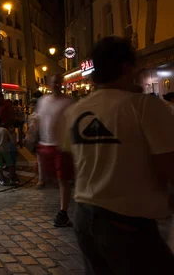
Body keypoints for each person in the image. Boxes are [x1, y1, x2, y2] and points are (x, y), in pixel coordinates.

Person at [63, 37, 174, 273]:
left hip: (84, 214)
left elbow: (75, 160)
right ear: (126, 67)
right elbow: (168, 165)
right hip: (128, 222)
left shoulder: (75, 111)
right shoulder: (144, 106)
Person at [35, 74, 74, 227]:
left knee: (63, 180)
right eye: (54, 82)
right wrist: (31, 136)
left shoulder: (68, 102)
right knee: (51, 179)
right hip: (45, 145)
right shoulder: (43, 101)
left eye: (59, 82)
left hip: (61, 146)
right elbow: (37, 120)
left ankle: (63, 212)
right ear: (49, 84)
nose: (57, 84)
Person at [0, 117, 17, 186]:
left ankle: (2, 180)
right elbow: (9, 139)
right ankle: (11, 179)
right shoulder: (5, 130)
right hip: (5, 149)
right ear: (0, 122)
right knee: (10, 164)